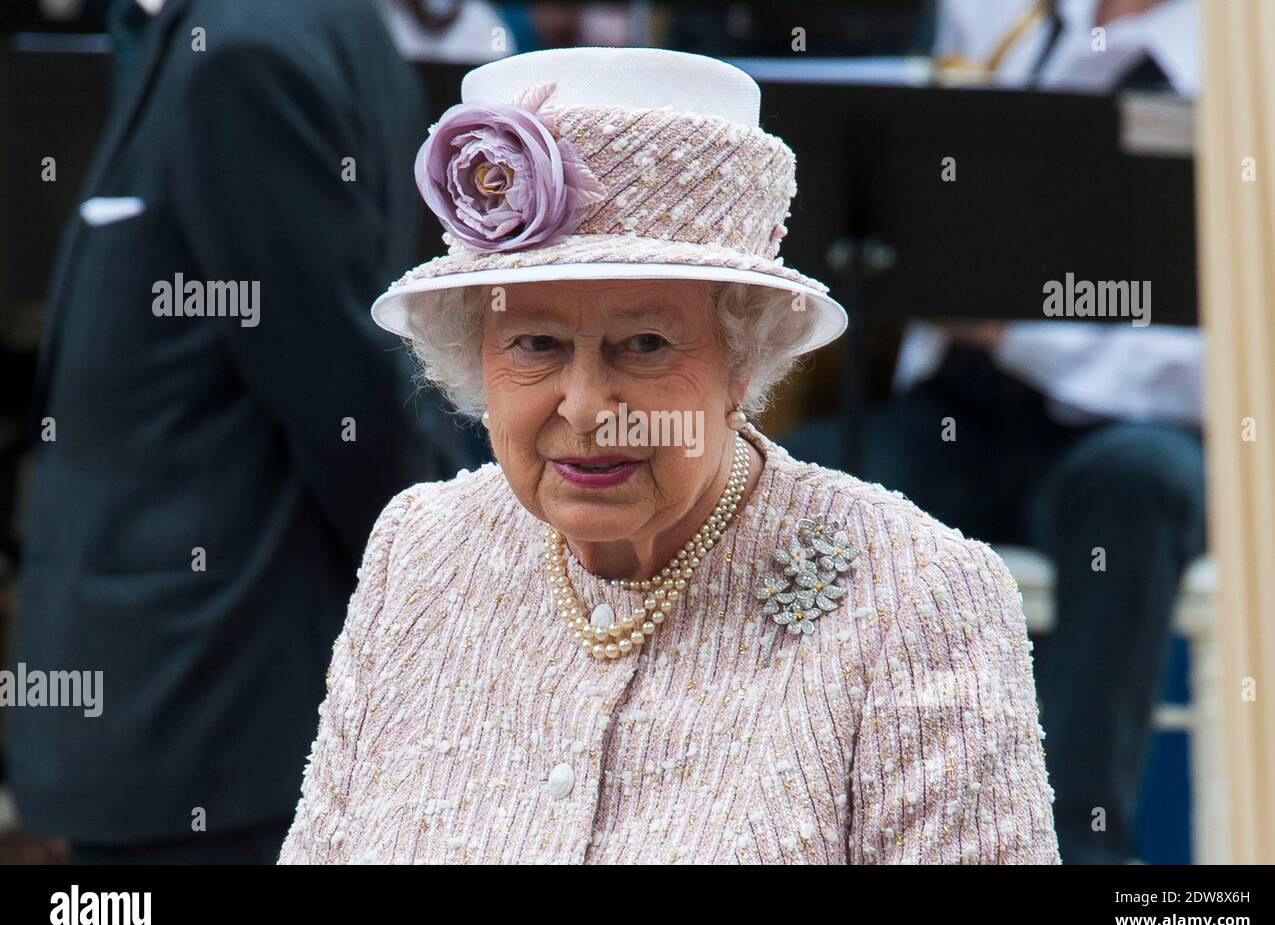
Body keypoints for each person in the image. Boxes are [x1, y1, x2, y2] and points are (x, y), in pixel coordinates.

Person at [277, 46, 1060, 864]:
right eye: (536, 342)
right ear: (478, 357)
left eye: (644, 343)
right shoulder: (420, 552)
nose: (584, 407)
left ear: (743, 354)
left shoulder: (917, 598)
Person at [10, 0, 465, 864]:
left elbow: (347, 395)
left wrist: (435, 607)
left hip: (205, 708)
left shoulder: (246, 51)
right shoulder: (291, 30)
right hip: (203, 701)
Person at [785, 0, 1205, 864]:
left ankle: (1075, 850)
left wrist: (1017, 331)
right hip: (962, 415)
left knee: (1138, 483)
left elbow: (1224, 359)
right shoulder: (996, 20)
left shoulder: (1255, 69)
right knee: (788, 484)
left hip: (1130, 433)